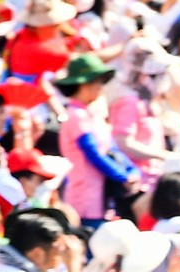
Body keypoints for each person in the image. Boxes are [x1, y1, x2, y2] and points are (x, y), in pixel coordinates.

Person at [57, 53, 137, 229]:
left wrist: (132, 171)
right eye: (98, 83)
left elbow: (112, 149)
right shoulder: (75, 116)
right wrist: (123, 176)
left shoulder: (90, 114)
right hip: (85, 197)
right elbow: (93, 154)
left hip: (102, 196)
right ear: (84, 85)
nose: (101, 88)